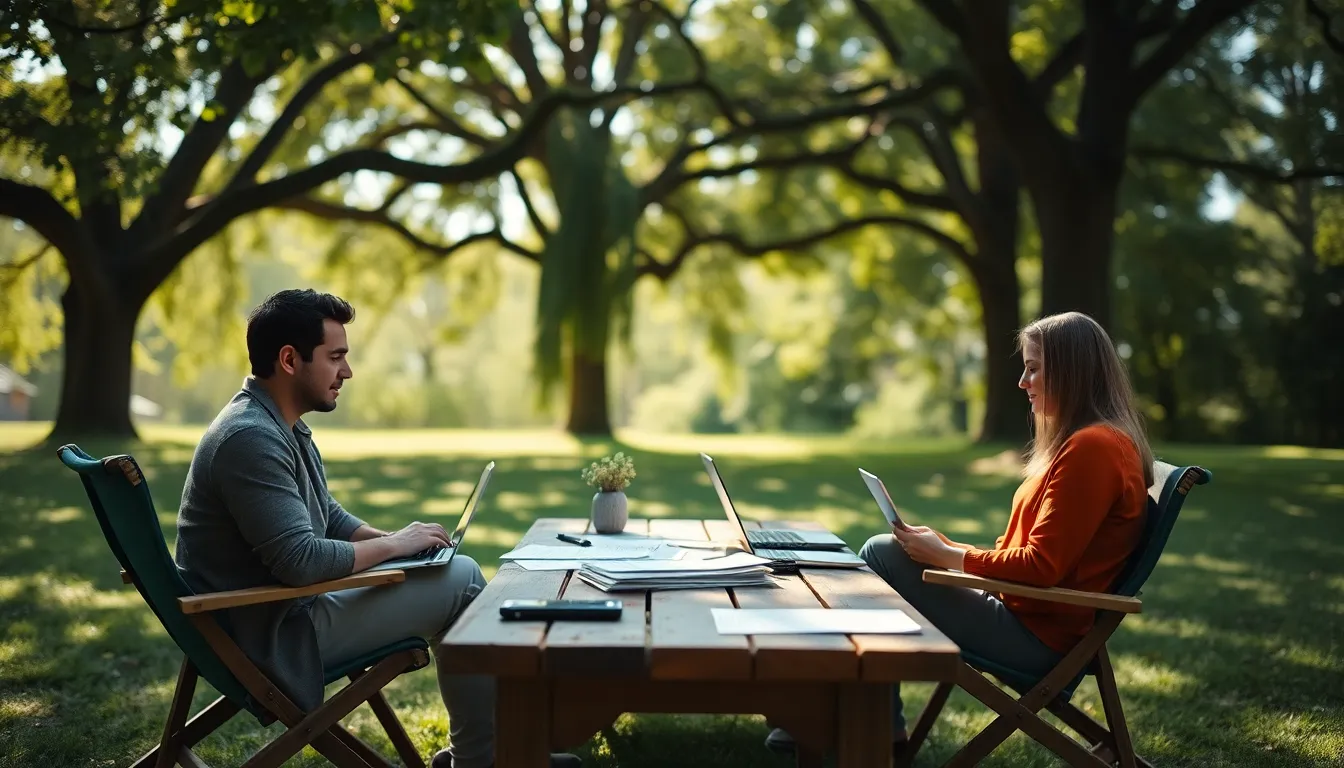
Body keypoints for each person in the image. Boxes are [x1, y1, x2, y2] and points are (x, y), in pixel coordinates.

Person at [174, 289, 580, 768]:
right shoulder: (250, 439)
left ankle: (485, 754)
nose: (346, 372)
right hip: (273, 635)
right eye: (336, 357)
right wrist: (396, 547)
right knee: (464, 580)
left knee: (450, 574)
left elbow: (327, 516)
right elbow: (302, 561)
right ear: (289, 359)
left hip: (278, 613)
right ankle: (484, 760)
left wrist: (397, 542)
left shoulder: (275, 423)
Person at [765, 311, 1154, 759]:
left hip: (1038, 640)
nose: (1022, 382)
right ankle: (858, 720)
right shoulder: (1090, 443)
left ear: (1072, 372)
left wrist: (952, 559)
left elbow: (1041, 566)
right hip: (1026, 614)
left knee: (883, 552)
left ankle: (849, 720)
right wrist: (948, 549)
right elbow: (1033, 557)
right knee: (889, 552)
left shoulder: (1094, 448)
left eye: (1034, 368)